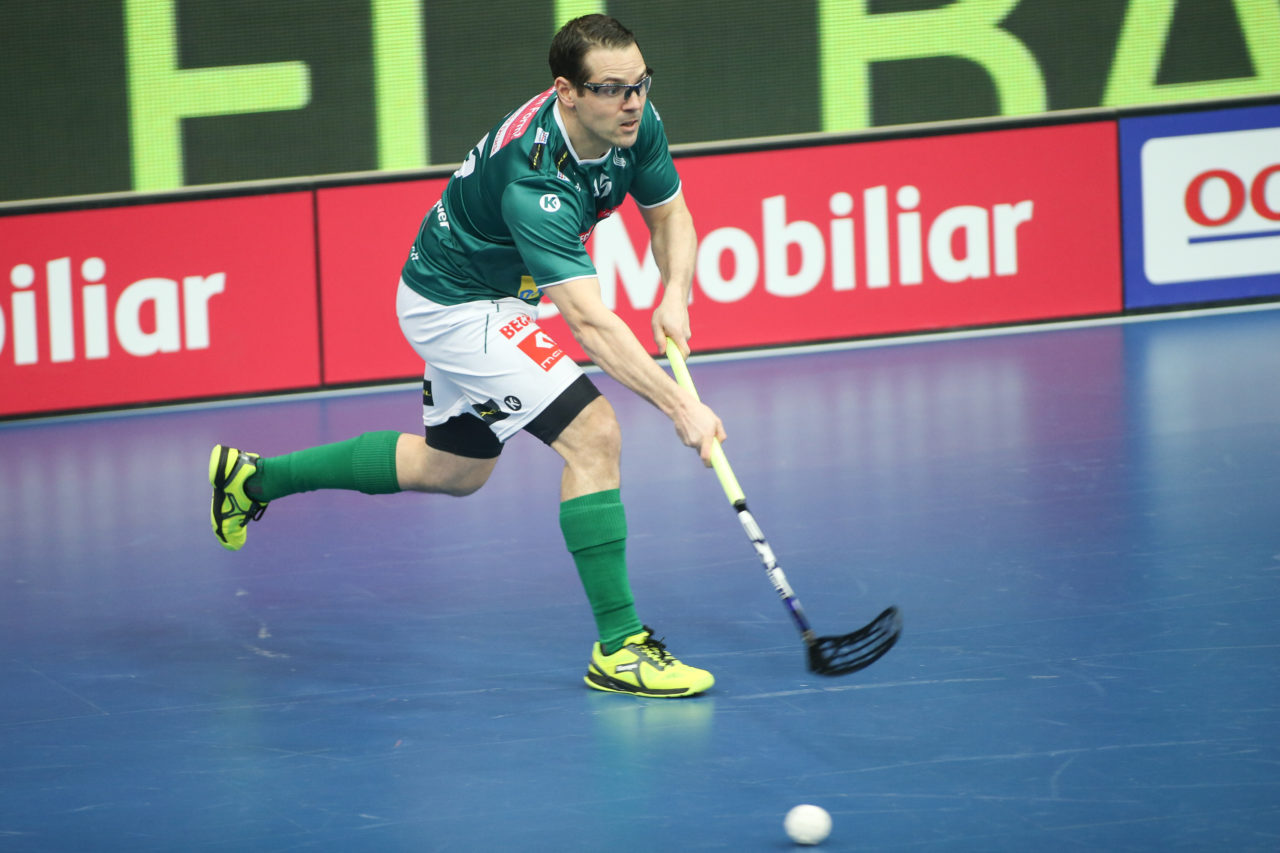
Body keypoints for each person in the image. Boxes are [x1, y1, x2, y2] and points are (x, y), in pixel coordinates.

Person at [208, 14, 725, 699]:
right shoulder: (534, 180)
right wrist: (681, 405)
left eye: (640, 85)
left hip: (498, 295)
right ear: (566, 91)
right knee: (593, 434)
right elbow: (589, 323)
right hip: (456, 304)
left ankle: (252, 478)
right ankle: (621, 645)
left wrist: (676, 294)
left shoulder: (633, 122)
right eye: (612, 89)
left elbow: (669, 213)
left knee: (453, 470)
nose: (632, 102)